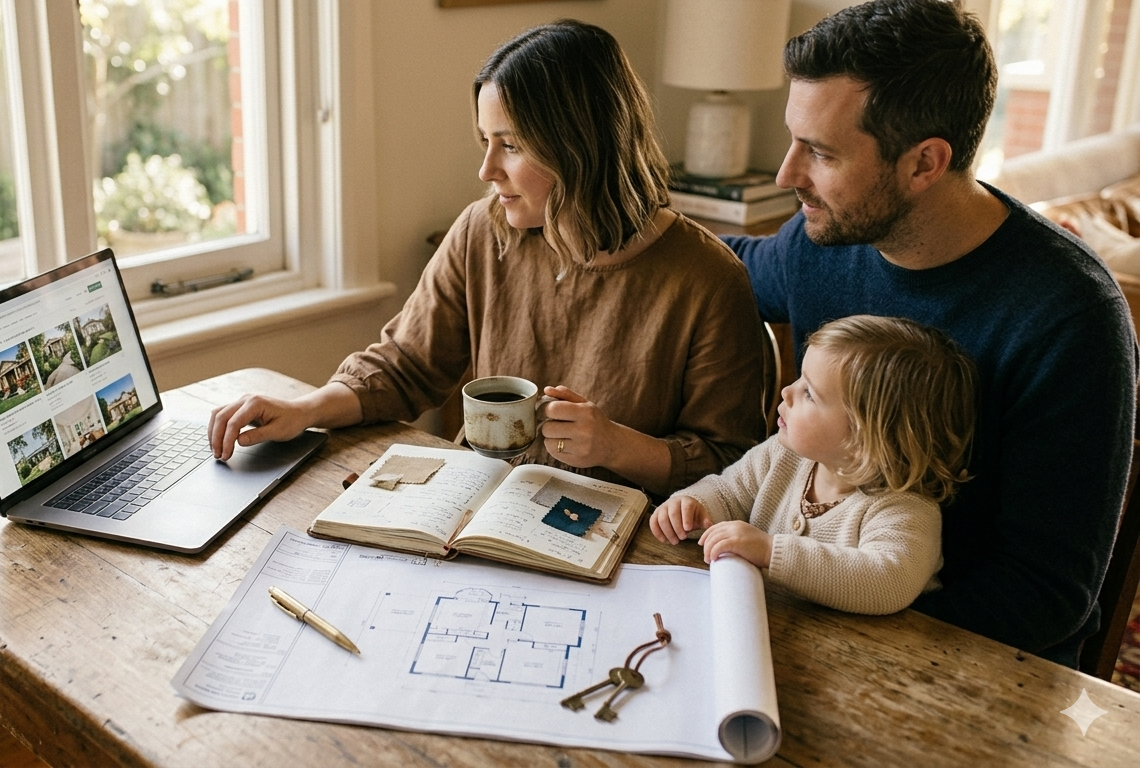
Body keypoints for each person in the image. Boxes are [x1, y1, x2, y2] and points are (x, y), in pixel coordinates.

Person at [722, 0, 1137, 664]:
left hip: (960, 665)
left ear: (923, 164)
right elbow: (727, 268)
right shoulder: (820, 240)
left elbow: (1046, 595)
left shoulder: (1070, 318)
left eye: (821, 153)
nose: (786, 174)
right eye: (794, 139)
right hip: (795, 621)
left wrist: (827, 630)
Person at [209, 20, 766, 496]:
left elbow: (731, 466)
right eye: (485, 141)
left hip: (619, 547)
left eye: (513, 144)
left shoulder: (709, 281)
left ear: (581, 146)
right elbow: (404, 367)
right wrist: (304, 409)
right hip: (478, 512)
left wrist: (617, 445)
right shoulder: (483, 231)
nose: (487, 171)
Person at [650, 315, 977, 615]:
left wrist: (770, 551)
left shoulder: (906, 508)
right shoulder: (783, 454)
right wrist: (693, 506)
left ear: (862, 438)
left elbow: (889, 579)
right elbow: (727, 491)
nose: (787, 391)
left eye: (810, 393)